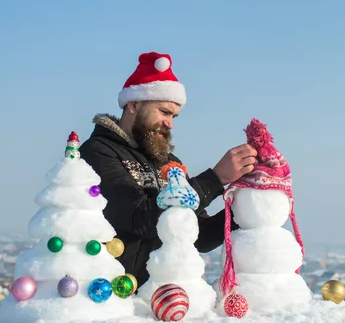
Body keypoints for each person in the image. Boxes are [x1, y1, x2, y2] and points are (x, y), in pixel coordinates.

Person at [78, 51, 258, 289]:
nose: (170, 123)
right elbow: (138, 217)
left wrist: (246, 205)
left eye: (174, 115)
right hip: (117, 296)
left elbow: (198, 236)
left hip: (166, 294)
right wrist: (215, 179)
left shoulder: (169, 162)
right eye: (164, 112)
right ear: (133, 104)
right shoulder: (98, 152)